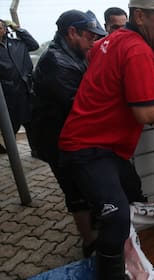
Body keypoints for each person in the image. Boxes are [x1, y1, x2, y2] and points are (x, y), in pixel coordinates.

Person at [58, 1, 154, 278]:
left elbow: (137, 103)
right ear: (139, 16)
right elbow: (144, 111)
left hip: (109, 148)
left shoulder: (111, 41)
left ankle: (138, 256)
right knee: (116, 219)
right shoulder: (137, 49)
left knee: (135, 198)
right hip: (87, 148)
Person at [31, 9, 107, 257]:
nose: (93, 42)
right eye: (89, 36)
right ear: (72, 32)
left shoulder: (75, 53)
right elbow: (80, 104)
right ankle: (89, 242)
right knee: (75, 191)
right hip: (56, 139)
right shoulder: (56, 61)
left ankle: (96, 228)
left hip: (73, 135)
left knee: (86, 185)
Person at [0, 19, 39, 155]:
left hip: (26, 90)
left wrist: (18, 29)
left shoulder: (18, 43)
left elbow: (34, 45)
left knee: (32, 123)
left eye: (0, 28)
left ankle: (37, 150)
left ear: (5, 29)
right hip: (8, 95)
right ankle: (10, 153)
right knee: (10, 126)